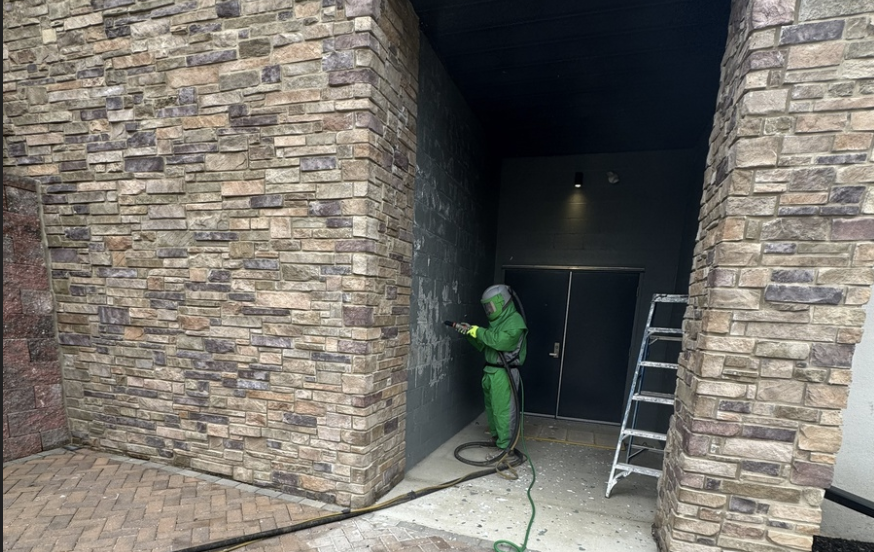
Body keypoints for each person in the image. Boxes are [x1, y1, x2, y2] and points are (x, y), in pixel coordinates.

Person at [453, 284, 528, 454]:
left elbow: (500, 342)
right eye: (486, 307)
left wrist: (478, 331)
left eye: (490, 306)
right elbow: (485, 344)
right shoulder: (498, 323)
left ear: (502, 301)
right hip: (491, 371)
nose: (489, 310)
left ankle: (506, 448)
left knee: (503, 411)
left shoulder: (515, 322)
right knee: (492, 409)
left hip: (504, 373)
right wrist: (469, 333)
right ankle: (497, 439)